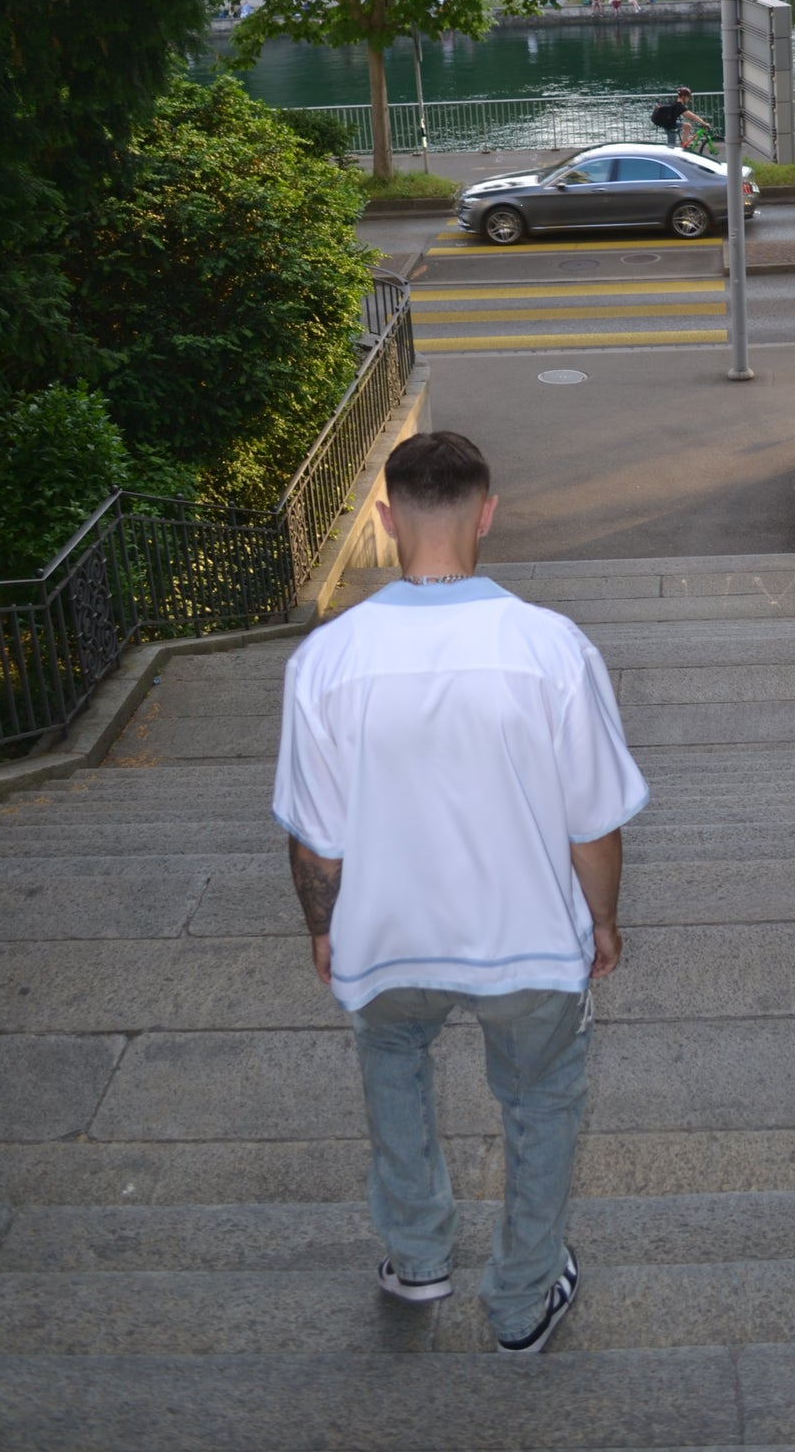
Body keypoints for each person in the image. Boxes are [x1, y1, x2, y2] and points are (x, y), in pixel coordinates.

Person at [274, 430, 648, 1356]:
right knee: (540, 1101)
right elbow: (592, 827)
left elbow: (313, 837)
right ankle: (521, 1300)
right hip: (524, 941)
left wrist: (323, 930)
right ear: (487, 512)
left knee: (393, 1069)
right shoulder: (550, 648)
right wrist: (599, 918)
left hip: (386, 937)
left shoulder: (327, 659)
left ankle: (415, 1257)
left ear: (385, 516)